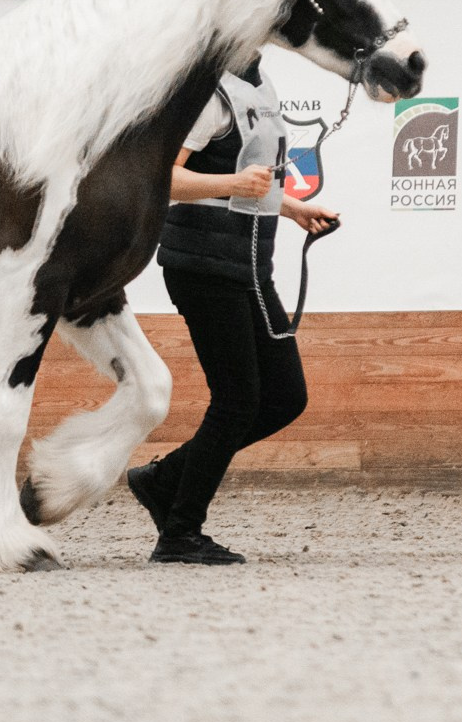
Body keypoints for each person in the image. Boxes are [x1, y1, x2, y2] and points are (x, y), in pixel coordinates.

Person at [124, 58, 338, 564]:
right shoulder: (207, 92)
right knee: (237, 400)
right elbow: (162, 178)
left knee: (285, 397)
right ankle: (180, 532)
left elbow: (250, 179)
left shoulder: (259, 86)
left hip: (247, 263)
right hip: (201, 262)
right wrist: (231, 185)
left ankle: (164, 479)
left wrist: (290, 205)